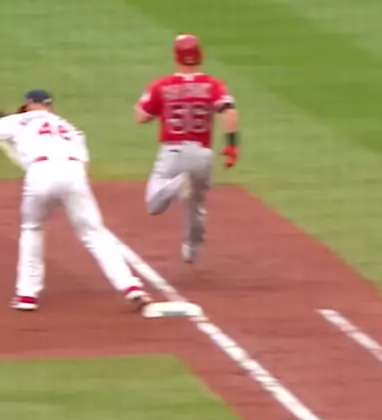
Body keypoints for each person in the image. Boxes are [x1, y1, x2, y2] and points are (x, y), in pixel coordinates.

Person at [0, 90, 153, 312]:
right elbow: (85, 166)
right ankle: (131, 286)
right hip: (74, 174)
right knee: (94, 233)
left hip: (41, 173)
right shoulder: (70, 128)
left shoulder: (18, 120)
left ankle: (27, 295)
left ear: (29, 104)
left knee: (32, 228)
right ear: (49, 106)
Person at [135, 34, 240, 262]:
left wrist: (149, 103)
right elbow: (230, 113)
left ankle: (177, 186)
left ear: (176, 56)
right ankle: (192, 248)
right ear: (200, 55)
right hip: (202, 155)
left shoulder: (162, 85)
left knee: (154, 203)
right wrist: (232, 147)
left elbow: (141, 117)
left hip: (172, 153)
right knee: (197, 205)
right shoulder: (213, 85)